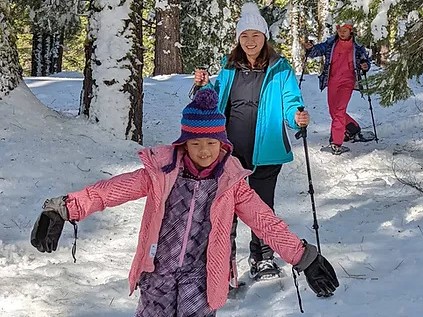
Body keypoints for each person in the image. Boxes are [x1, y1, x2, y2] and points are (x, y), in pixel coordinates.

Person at [30, 89, 338, 317]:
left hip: (203, 279)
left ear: (223, 144)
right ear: (183, 142)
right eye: (195, 143)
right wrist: (65, 207)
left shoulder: (231, 184)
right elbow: (110, 191)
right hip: (157, 275)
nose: (204, 151)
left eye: (211, 143)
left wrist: (302, 256)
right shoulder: (161, 173)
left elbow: (264, 221)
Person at [193, 2, 310, 283]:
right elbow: (214, 98)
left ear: (264, 37)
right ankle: (223, 263)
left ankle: (262, 256)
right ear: (238, 39)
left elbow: (291, 102)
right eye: (244, 36)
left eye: (255, 36)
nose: (250, 42)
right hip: (229, 149)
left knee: (262, 207)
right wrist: (203, 86)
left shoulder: (280, 69)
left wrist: (297, 118)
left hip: (267, 150)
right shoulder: (229, 66)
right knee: (225, 206)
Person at [304, 22, 371, 155]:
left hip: (348, 81)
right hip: (332, 80)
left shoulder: (356, 47)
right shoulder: (331, 44)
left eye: (345, 30)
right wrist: (310, 48)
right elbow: (316, 51)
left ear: (351, 31)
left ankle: (336, 143)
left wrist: (365, 65)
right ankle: (353, 128)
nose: (342, 32)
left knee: (339, 111)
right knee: (333, 111)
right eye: (340, 30)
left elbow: (365, 61)